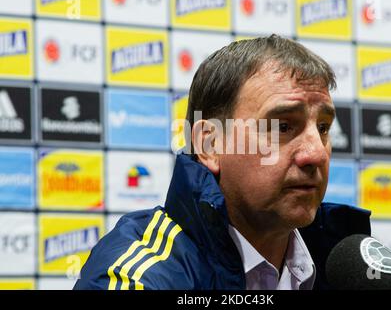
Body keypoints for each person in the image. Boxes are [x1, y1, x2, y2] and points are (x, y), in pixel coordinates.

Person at [74, 35, 371, 290]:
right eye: (282, 126)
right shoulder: (138, 276)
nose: (317, 153)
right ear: (210, 144)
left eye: (322, 128)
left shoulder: (350, 271)